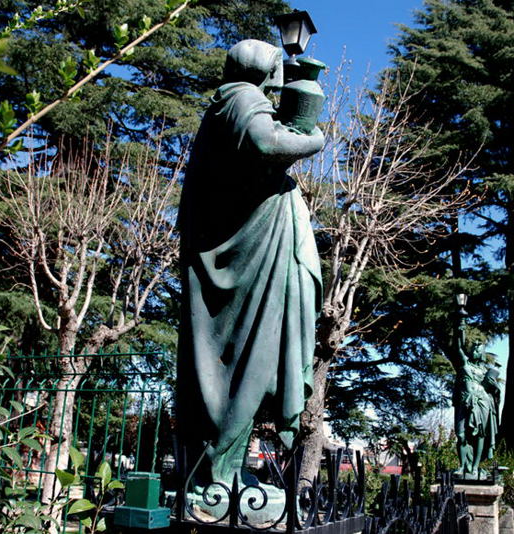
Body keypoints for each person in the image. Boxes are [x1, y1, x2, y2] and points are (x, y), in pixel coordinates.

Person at [176, 39, 324, 486]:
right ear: (263, 69)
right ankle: (219, 473)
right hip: (246, 255)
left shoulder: (229, 101)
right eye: (277, 67)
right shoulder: (242, 96)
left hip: (247, 246)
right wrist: (314, 138)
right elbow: (264, 143)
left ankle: (226, 469)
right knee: (244, 358)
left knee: (239, 360)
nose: (280, 77)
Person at [453, 316, 502, 479]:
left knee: (480, 434)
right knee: (461, 435)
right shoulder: (465, 365)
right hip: (465, 401)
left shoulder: (486, 371)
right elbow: (458, 347)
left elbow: (494, 390)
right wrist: (460, 327)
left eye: (477, 349)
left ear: (482, 354)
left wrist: (493, 385)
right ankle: (462, 466)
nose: (474, 351)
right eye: (473, 348)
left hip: (482, 402)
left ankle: (474, 467)